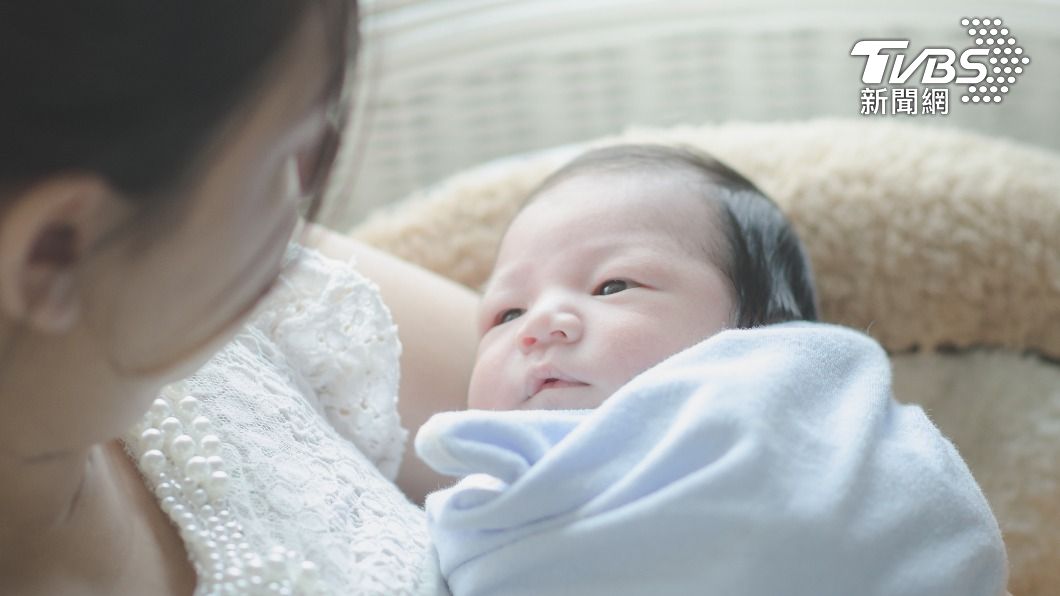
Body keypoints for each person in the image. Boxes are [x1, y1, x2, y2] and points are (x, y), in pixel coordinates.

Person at [0, 2, 477, 595]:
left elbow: (597, 414)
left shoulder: (251, 307)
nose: (300, 207)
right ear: (55, 251)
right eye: (295, 154)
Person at [415, 145, 1009, 596]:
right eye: (505, 312)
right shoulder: (494, 500)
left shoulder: (787, 400)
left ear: (757, 329)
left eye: (613, 285)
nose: (539, 325)